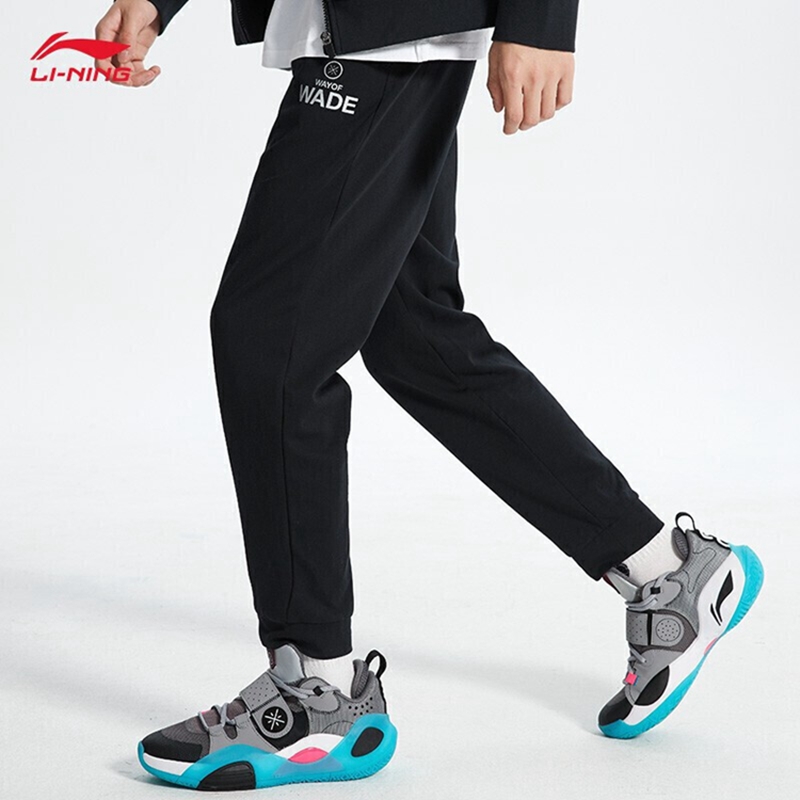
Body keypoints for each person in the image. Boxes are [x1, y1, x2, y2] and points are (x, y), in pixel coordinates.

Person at [94, 0, 764, 791]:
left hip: (391, 33)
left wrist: (542, 20)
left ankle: (316, 693)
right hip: (367, 29)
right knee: (415, 334)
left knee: (269, 344)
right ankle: (664, 570)